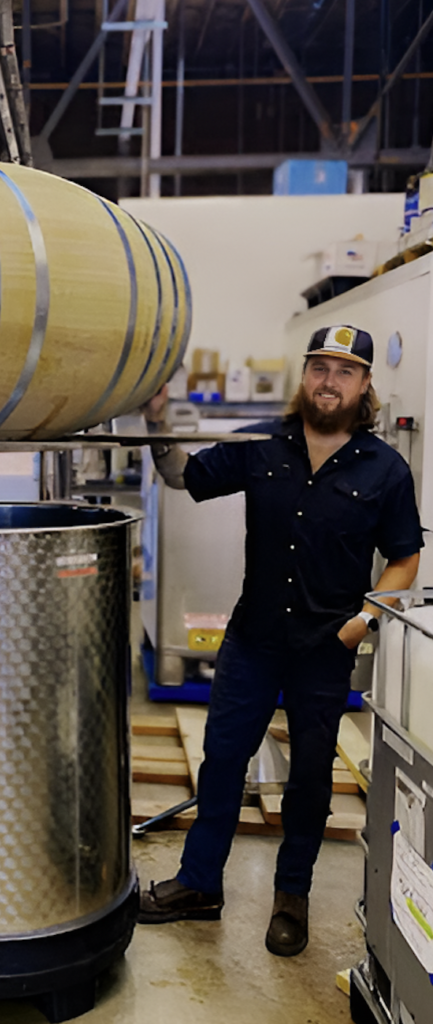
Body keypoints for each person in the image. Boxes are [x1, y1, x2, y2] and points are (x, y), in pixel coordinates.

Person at [138, 325, 422, 957]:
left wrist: (364, 621)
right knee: (221, 764)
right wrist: (156, 419)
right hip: (254, 639)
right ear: (305, 375)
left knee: (311, 779)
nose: (329, 381)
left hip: (326, 648)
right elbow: (183, 474)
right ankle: (198, 884)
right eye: (319, 367)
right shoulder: (265, 443)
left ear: (366, 383)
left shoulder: (386, 469)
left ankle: (291, 895)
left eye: (344, 371)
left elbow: (406, 558)